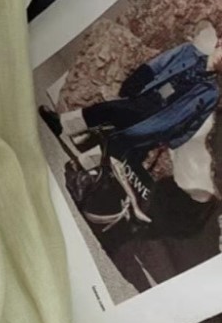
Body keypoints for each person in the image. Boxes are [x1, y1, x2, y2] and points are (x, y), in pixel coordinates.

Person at [40, 20, 222, 223]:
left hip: (160, 122)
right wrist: (139, 78)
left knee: (120, 143)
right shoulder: (189, 51)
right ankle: (63, 124)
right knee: (107, 110)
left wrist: (174, 141)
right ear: (219, 44)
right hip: (147, 98)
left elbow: (195, 122)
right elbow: (159, 63)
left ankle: (82, 169)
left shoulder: (212, 92)